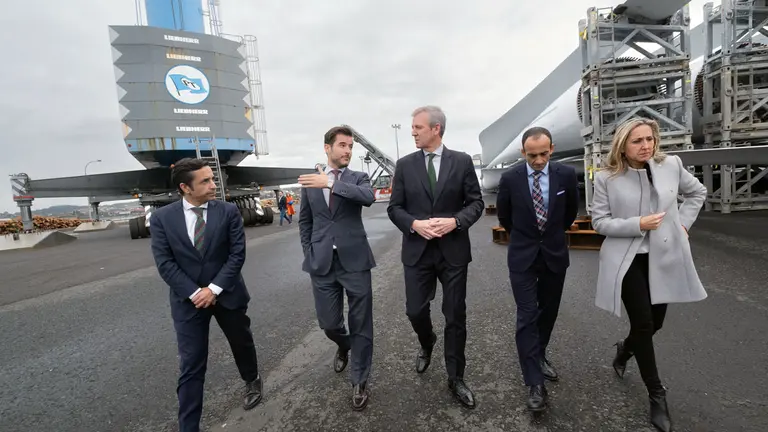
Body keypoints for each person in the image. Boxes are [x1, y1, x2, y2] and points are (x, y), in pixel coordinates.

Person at [591, 117, 708, 432]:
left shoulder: (671, 165)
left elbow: (697, 193)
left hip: (664, 254)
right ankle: (657, 394)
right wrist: (637, 224)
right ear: (622, 146)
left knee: (655, 324)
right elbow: (599, 222)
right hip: (627, 259)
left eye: (649, 139)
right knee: (643, 322)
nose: (645, 146)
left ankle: (625, 349)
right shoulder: (606, 178)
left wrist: (681, 225)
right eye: (637, 141)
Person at [150, 158, 263, 432]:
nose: (214, 185)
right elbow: (165, 263)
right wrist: (194, 292)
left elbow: (237, 255)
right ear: (185, 188)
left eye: (213, 179)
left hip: (228, 294)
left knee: (241, 342)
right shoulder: (163, 218)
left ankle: (252, 379)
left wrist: (212, 290)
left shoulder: (228, 212)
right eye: (206, 181)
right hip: (188, 302)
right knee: (191, 364)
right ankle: (189, 427)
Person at [387, 105, 484, 409]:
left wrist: (455, 221)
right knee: (415, 311)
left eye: (417, 127)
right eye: (412, 127)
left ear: (436, 129)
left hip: (453, 251)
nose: (413, 132)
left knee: (455, 315)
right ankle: (427, 341)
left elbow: (476, 203)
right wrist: (414, 224)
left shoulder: (462, 161)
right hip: (417, 252)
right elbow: (394, 208)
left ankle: (456, 378)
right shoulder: (404, 165)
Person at [495, 126, 580, 413]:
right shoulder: (510, 179)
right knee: (528, 315)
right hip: (523, 257)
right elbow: (505, 217)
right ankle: (534, 382)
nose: (539, 160)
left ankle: (540, 353)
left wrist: (550, 237)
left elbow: (569, 213)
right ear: (523, 153)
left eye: (544, 154)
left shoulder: (566, 175)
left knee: (548, 312)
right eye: (532, 155)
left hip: (554, 255)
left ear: (552, 149)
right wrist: (527, 238)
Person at [297, 125, 376, 411]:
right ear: (327, 148)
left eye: (350, 146)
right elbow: (305, 222)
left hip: (355, 260)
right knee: (329, 323)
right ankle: (344, 345)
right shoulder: (310, 182)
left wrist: (330, 183)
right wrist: (309, 250)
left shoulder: (358, 178)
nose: (347, 151)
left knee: (361, 322)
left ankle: (360, 380)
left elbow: (367, 198)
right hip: (322, 262)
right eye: (342, 145)